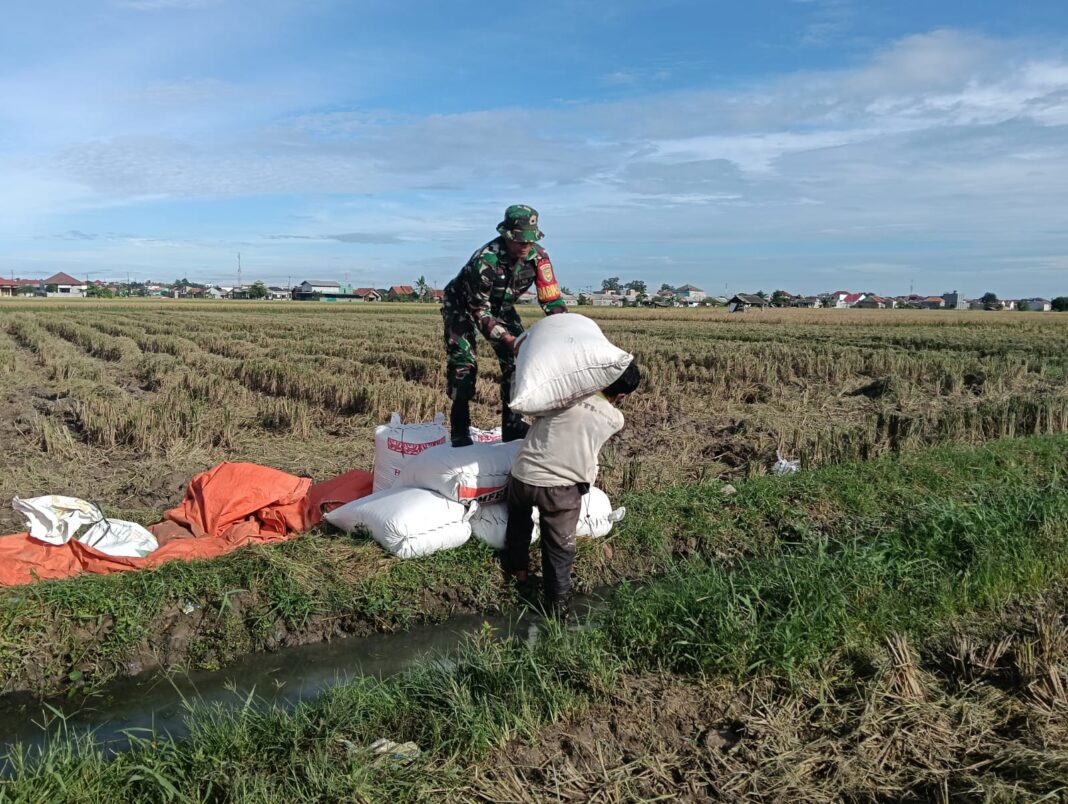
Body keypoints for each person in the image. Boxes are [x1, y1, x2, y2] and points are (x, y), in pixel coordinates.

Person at [502, 360, 641, 617]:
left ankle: (519, 577)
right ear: (621, 395)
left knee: (518, 524)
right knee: (559, 549)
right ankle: (557, 610)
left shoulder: (565, 394)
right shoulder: (615, 419)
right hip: (560, 491)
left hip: (522, 477)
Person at [441, 204, 567, 447]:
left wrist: (564, 328)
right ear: (507, 236)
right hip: (462, 305)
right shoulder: (486, 260)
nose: (525, 246)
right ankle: (459, 429)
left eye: (530, 241)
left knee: (519, 362)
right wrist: (508, 340)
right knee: (463, 363)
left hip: (503, 306)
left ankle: (511, 425)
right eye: (520, 240)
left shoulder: (540, 258)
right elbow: (479, 310)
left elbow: (551, 298)